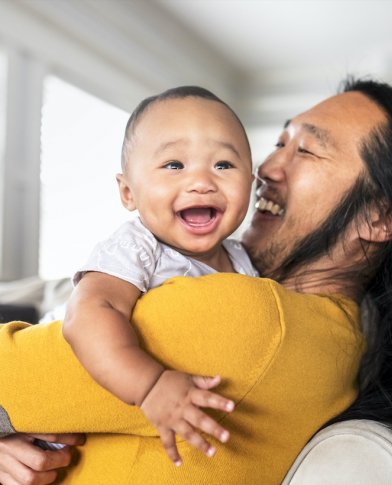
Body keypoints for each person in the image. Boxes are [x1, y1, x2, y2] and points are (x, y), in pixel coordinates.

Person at [0, 78, 392, 484]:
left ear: (377, 216)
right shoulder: (345, 341)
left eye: (305, 149)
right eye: (280, 143)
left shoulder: (248, 318)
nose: (264, 170)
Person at [61, 86, 258, 466]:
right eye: (174, 165)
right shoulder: (138, 246)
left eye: (223, 165)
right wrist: (149, 385)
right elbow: (87, 313)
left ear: (249, 183)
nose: (202, 181)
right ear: (128, 192)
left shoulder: (244, 261)